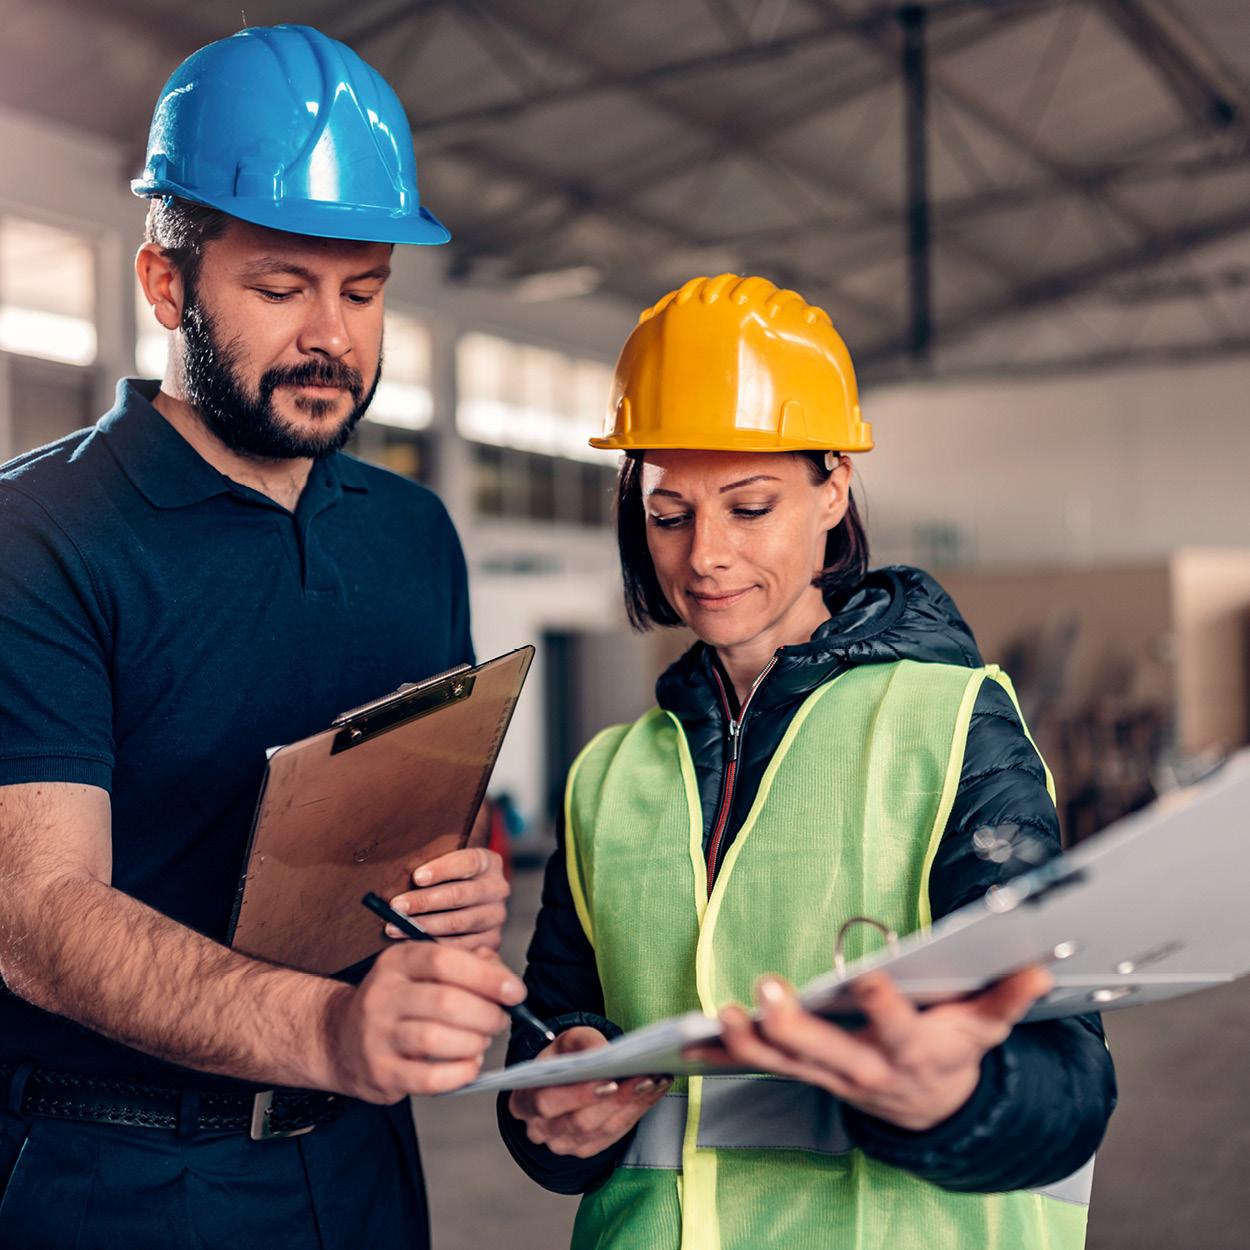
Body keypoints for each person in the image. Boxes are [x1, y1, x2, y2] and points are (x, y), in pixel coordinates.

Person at [0, 25, 525, 1250]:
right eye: (281, 288)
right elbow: (33, 908)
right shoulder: (41, 533)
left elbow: (404, 836)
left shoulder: (412, 533)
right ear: (167, 284)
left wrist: (449, 899)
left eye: (363, 290)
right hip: (113, 1170)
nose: (331, 338)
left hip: (359, 1164)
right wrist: (329, 1030)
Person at [499, 274, 1117, 1250]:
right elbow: (545, 1047)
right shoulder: (606, 777)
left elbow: (1066, 1079)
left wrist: (954, 1091)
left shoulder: (950, 722)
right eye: (668, 511)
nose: (703, 554)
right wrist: (557, 1111)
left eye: (748, 506)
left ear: (833, 489)